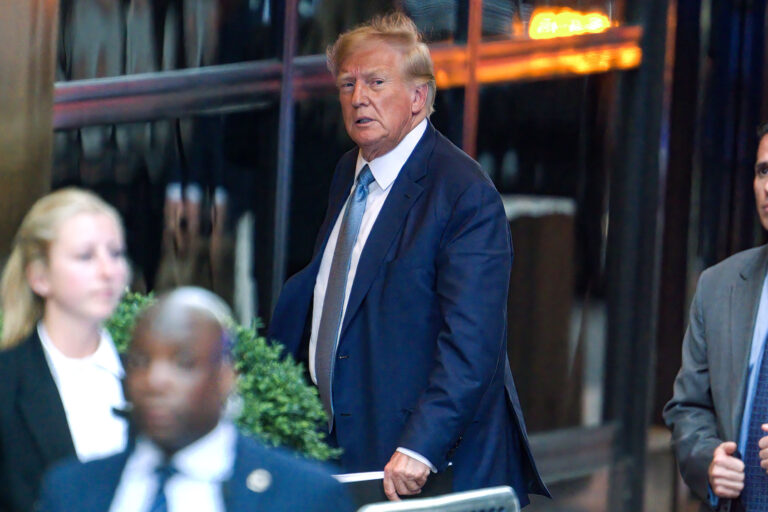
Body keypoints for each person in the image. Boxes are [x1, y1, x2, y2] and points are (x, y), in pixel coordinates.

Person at [269, 12, 548, 505]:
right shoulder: (348, 172)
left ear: (419, 98)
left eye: (376, 82)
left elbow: (471, 344)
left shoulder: (464, 194)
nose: (358, 98)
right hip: (345, 450)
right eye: (348, 84)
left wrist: (421, 446)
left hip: (428, 468)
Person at [36, 287, 353, 512]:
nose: (156, 382)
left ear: (226, 377)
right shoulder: (70, 490)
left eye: (184, 363)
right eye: (140, 362)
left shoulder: (304, 496)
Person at [0, 188, 130, 512]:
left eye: (115, 253)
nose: (108, 271)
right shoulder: (7, 383)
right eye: (85, 256)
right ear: (40, 276)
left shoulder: (151, 380)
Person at [664, 122, 768, 511]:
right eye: (763, 171)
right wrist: (708, 459)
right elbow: (688, 407)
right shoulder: (718, 286)